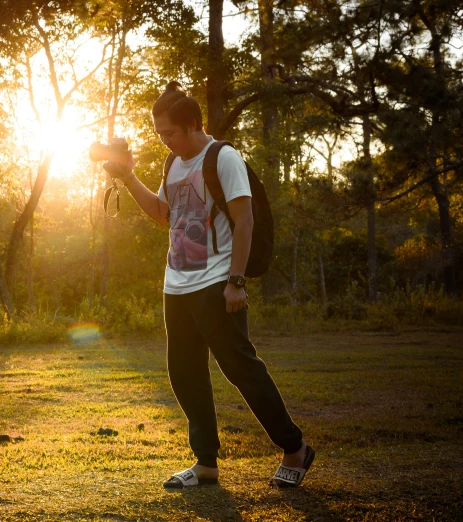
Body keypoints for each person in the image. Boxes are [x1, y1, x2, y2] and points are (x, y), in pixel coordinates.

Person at [111, 81, 315, 488]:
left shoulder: (223, 157)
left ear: (191, 124)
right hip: (178, 284)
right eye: (159, 135)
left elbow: (245, 221)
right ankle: (205, 464)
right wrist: (129, 177)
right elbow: (163, 215)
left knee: (241, 368)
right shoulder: (173, 164)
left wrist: (236, 281)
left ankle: (294, 448)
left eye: (169, 133)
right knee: (184, 374)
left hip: (217, 280)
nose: (165, 141)